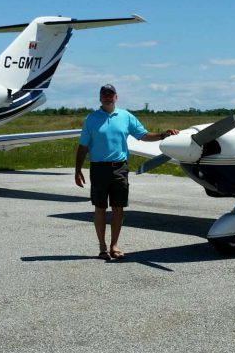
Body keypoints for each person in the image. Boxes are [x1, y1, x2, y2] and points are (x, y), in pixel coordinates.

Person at [75, 84, 179, 260]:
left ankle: (114, 246)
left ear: (116, 97)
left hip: (120, 168)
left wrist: (163, 135)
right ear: (100, 98)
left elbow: (144, 135)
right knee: (100, 208)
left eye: (111, 94)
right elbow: (83, 146)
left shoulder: (126, 116)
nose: (108, 97)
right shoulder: (91, 119)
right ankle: (102, 247)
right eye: (104, 95)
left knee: (118, 208)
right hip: (99, 168)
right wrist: (77, 170)